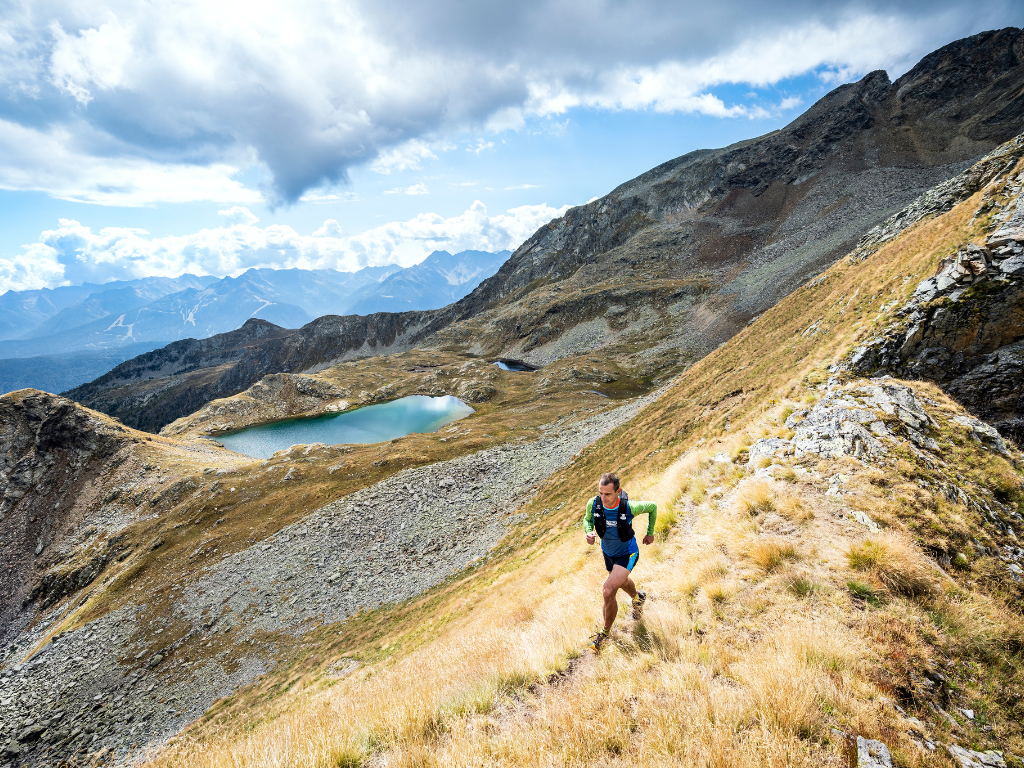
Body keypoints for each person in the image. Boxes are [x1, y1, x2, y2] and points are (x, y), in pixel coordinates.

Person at [583, 471, 657, 652]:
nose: (603, 497)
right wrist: (588, 532)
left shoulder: (629, 507)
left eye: (607, 494)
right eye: (600, 493)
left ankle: (604, 633)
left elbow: (653, 507)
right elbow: (587, 520)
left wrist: (650, 532)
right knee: (620, 581)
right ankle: (638, 598)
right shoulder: (593, 504)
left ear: (618, 491)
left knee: (608, 591)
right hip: (608, 553)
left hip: (628, 553)